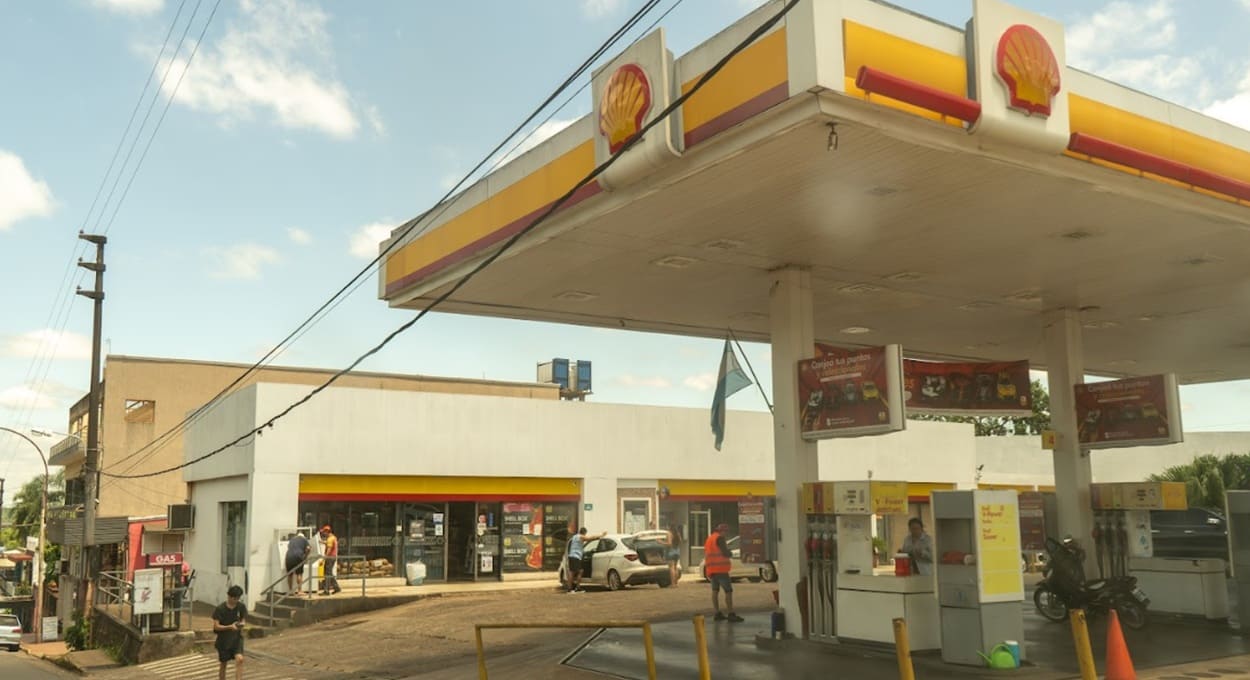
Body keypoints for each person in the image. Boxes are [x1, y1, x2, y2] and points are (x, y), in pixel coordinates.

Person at [704, 523, 742, 622]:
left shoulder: (710, 539)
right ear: (722, 531)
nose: (726, 534)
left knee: (715, 591)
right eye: (726, 531)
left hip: (711, 570)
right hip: (721, 569)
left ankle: (717, 613)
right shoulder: (720, 538)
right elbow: (725, 552)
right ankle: (731, 613)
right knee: (728, 591)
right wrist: (730, 553)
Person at [212, 585, 247, 680]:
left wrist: (241, 624)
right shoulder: (220, 609)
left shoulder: (241, 607)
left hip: (236, 639)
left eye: (237, 598)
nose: (235, 600)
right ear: (229, 596)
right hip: (224, 640)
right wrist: (229, 627)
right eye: (234, 598)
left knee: (240, 659)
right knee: (224, 663)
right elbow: (216, 626)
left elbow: (243, 619)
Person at [565, 526, 605, 593]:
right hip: (576, 556)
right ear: (584, 533)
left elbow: (588, 539)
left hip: (571, 556)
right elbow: (590, 538)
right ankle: (577, 588)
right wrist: (602, 534)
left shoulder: (574, 537)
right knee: (580, 571)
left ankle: (570, 588)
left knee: (572, 572)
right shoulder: (581, 536)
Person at [285, 531, 311, 596]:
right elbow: (308, 548)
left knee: (290, 574)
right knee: (299, 574)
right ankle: (299, 591)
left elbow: (288, 547)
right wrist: (306, 556)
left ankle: (290, 591)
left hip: (288, 556)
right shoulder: (304, 540)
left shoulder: (292, 540)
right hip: (298, 556)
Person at [318, 525, 341, 596]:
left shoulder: (330, 539)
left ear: (327, 531)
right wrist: (323, 542)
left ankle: (326, 591)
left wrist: (323, 559)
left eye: (324, 532)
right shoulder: (333, 537)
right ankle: (336, 587)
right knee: (329, 573)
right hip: (333, 557)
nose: (323, 534)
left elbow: (329, 549)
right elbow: (329, 544)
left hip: (329, 558)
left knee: (327, 574)